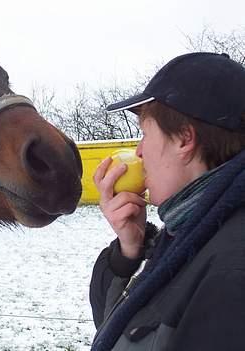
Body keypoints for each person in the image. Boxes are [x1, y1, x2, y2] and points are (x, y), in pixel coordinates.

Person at [89, 52, 245, 351]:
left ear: (184, 140)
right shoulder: (191, 233)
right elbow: (121, 330)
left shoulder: (232, 270)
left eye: (145, 134)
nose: (138, 152)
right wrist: (128, 252)